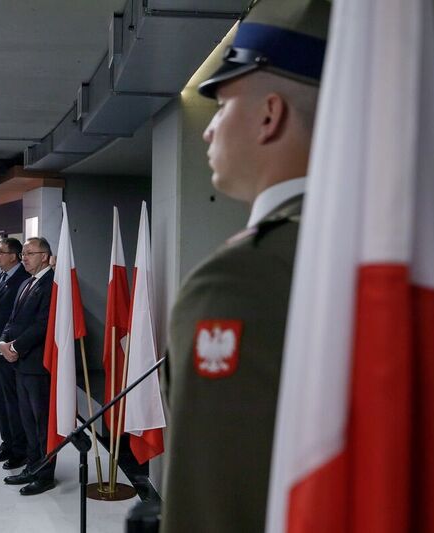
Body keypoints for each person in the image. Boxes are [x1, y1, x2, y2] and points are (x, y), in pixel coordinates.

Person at [161, 1, 330, 531]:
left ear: (268, 114)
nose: (208, 132)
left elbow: (214, 504)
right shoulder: (387, 259)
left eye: (221, 106)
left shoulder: (239, 281)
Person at [0, 237, 56, 496]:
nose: (24, 257)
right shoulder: (25, 283)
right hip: (20, 365)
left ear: (45, 256)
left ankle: (44, 474)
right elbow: (12, 319)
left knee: (41, 423)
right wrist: (3, 342)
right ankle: (31, 466)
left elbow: (42, 325)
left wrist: (15, 347)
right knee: (27, 422)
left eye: (29, 253)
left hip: (37, 365)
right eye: (22, 253)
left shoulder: (51, 284)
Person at [0, 238, 30, 469]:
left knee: (13, 401)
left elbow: (19, 320)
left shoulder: (23, 279)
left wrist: (10, 345)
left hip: (9, 350)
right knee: (0, 400)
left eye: (0, 252)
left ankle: (20, 449)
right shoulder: (0, 277)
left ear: (14, 255)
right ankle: (7, 442)